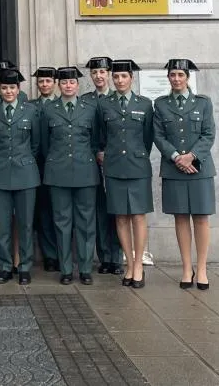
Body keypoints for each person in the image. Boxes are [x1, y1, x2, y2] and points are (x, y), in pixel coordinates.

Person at [153, 59, 216, 290]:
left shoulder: (203, 103)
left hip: (200, 168)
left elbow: (209, 134)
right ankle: (186, 268)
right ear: (168, 78)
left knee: (200, 217)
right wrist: (177, 158)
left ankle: (201, 269)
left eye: (180, 75)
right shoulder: (160, 105)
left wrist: (191, 157)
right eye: (172, 75)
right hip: (173, 168)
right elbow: (158, 136)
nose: (176, 79)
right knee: (180, 217)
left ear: (187, 78)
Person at [97, 59, 154, 289]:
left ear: (131, 78)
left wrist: (137, 155)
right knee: (120, 216)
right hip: (114, 166)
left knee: (138, 216)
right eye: (116, 77)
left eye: (124, 77)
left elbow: (148, 137)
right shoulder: (104, 105)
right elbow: (101, 136)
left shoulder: (145, 104)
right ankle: (128, 263)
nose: (120, 81)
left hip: (138, 166)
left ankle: (138, 264)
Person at [42, 67, 101, 285]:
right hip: (58, 172)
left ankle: (85, 269)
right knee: (62, 222)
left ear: (78, 85)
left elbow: (96, 141)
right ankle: (66, 269)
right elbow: (44, 143)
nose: (68, 86)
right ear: (59, 85)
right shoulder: (49, 110)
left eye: (72, 82)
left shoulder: (89, 109)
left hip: (85, 171)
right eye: (64, 83)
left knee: (86, 222)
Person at [0, 69, 40, 285]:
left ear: (18, 89)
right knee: (3, 224)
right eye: (4, 87)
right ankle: (4, 266)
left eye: (12, 88)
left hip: (26, 173)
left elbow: (37, 143)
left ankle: (24, 266)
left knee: (25, 224)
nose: (8, 91)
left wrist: (23, 159)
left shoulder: (31, 111)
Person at [81, 56, 123, 276]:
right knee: (97, 210)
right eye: (94, 73)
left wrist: (108, 152)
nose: (98, 76)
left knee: (116, 210)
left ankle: (117, 257)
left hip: (115, 160)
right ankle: (104, 256)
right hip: (91, 161)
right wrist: (95, 152)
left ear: (108, 74)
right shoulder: (85, 100)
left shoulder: (117, 99)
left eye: (102, 72)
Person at [31, 67, 59, 272]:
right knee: (43, 212)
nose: (44, 85)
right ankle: (49, 255)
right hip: (36, 164)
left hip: (58, 164)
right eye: (41, 82)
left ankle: (62, 253)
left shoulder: (60, 105)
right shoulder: (30, 106)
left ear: (55, 83)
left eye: (48, 81)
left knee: (60, 210)